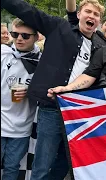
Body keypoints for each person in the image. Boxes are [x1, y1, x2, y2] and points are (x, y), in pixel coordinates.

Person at [1, 0, 105, 179]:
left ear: (99, 22)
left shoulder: (100, 46)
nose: (92, 16)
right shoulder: (59, 27)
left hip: (78, 113)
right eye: (88, 11)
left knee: (66, 163)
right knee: (42, 164)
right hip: (51, 107)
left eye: (96, 15)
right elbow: (29, 11)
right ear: (79, 15)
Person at [1, 18, 40, 180]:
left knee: (12, 167)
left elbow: (49, 90)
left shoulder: (42, 61)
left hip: (22, 126)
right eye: (15, 34)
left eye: (25, 36)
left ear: (36, 37)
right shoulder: (3, 53)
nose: (19, 39)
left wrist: (30, 90)